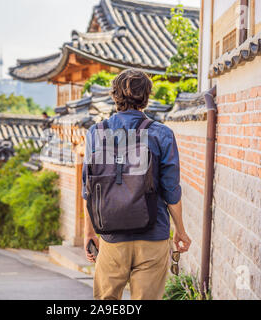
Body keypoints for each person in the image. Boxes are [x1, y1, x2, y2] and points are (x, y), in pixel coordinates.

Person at [82, 69, 191, 300]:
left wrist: (89, 232)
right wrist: (180, 231)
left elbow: (89, 189)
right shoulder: (161, 134)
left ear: (114, 96)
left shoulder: (96, 133)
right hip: (153, 235)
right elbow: (172, 191)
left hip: (111, 238)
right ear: (146, 97)